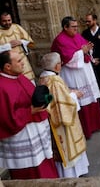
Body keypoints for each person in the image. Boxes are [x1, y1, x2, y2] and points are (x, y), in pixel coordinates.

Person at [0, 50, 58, 179]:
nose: (23, 63)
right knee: (31, 175)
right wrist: (30, 111)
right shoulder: (2, 86)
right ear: (7, 67)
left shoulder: (20, 76)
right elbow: (6, 118)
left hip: (36, 133)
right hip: (22, 137)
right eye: (19, 61)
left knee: (46, 167)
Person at [51, 16, 100, 139]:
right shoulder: (60, 40)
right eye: (73, 27)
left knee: (90, 98)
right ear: (65, 27)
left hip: (84, 72)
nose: (76, 29)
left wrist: (88, 49)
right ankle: (85, 129)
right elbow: (67, 58)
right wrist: (82, 51)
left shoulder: (77, 35)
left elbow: (83, 47)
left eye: (76, 26)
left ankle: (94, 125)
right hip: (72, 74)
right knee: (81, 100)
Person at [39, 52, 89, 178]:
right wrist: (74, 95)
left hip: (53, 120)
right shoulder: (54, 80)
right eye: (60, 62)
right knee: (68, 145)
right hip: (63, 122)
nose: (61, 64)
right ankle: (73, 173)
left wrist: (69, 92)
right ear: (56, 66)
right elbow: (63, 103)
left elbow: (56, 97)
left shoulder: (43, 77)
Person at [0, 11, 35, 81]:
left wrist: (21, 42)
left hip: (22, 61)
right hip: (9, 64)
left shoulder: (17, 27)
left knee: (30, 83)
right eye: (4, 21)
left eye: (9, 20)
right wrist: (8, 46)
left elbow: (30, 42)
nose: (7, 23)